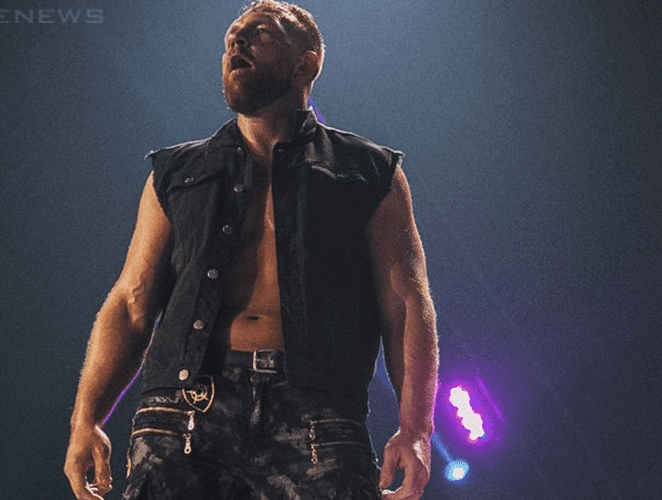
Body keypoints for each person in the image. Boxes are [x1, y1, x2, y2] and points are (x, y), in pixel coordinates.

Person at [64, 1, 438, 499]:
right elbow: (132, 303)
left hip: (318, 417)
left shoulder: (367, 172)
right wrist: (85, 420)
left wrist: (415, 431)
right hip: (184, 410)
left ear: (305, 64)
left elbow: (406, 306)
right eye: (230, 39)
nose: (235, 43)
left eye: (259, 34)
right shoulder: (176, 173)